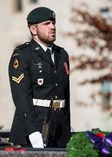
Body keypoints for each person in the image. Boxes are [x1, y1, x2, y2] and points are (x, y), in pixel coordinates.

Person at [8, 7, 71, 148]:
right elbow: (21, 96)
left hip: (59, 129)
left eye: (53, 23)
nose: (53, 27)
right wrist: (32, 131)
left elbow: (65, 94)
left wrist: (67, 126)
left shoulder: (62, 54)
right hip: (34, 127)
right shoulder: (23, 54)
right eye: (46, 24)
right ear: (33, 30)